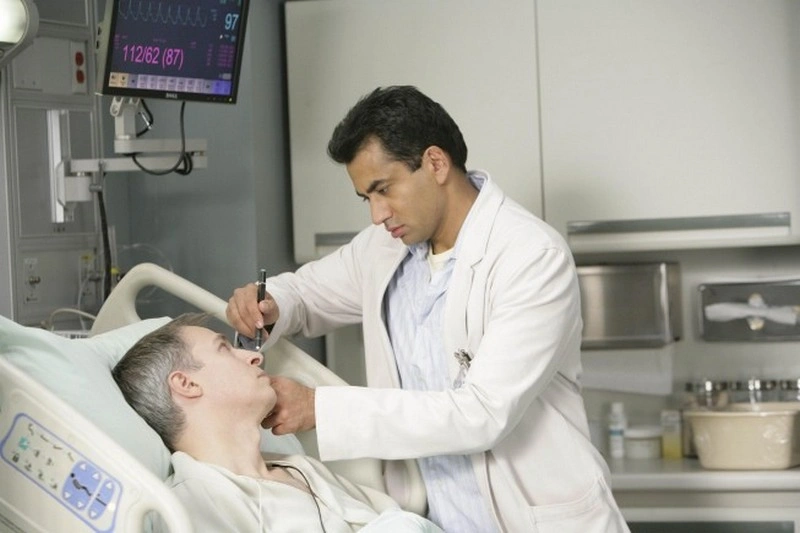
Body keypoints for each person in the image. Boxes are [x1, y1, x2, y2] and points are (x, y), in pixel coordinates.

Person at [226, 85, 630, 532]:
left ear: (436, 163)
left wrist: (320, 408)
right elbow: (304, 294)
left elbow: (481, 415)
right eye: (366, 198)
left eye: (384, 189)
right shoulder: (383, 248)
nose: (377, 214)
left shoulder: (531, 256)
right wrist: (270, 303)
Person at [112, 313, 442, 533]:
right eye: (224, 349)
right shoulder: (193, 506)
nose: (254, 356)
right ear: (186, 384)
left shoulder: (299, 468)